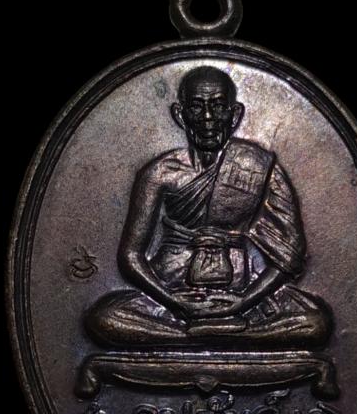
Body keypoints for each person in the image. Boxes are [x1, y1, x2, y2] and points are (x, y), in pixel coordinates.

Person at [85, 66, 332, 348]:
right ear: (180, 115)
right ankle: (221, 336)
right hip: (171, 288)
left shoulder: (259, 167)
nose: (207, 119)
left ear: (235, 114)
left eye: (217, 107)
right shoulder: (159, 173)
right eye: (196, 107)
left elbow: (289, 255)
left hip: (244, 290)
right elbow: (130, 256)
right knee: (104, 319)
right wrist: (173, 301)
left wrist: (243, 302)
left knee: (316, 323)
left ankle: (195, 336)